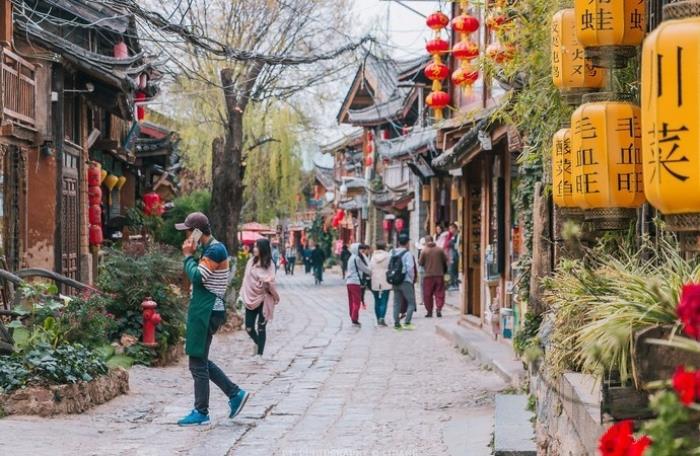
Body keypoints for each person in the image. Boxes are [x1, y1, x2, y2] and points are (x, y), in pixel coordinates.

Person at [175, 212, 248, 426]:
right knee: (200, 359)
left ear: (197, 232)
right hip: (203, 309)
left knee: (197, 361)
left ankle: (202, 411)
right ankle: (234, 394)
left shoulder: (215, 250)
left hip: (206, 310)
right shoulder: (209, 249)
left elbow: (198, 277)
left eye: (189, 231)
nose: (186, 236)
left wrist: (187, 256)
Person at [241, 239, 280, 361]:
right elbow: (246, 280)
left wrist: (266, 281)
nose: (254, 249)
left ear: (262, 248)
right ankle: (258, 343)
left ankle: (260, 354)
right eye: (254, 247)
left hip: (264, 298)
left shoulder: (270, 264)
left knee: (261, 327)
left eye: (256, 247)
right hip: (250, 298)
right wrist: (242, 294)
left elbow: (271, 279)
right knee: (249, 327)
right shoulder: (250, 262)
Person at [390, 233, 418, 330]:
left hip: (395, 281)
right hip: (405, 280)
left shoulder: (392, 252)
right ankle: (407, 322)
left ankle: (396, 323)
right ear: (407, 243)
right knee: (411, 302)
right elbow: (410, 268)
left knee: (396, 302)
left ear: (398, 242)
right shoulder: (407, 254)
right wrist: (411, 279)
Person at [419, 235, 448, 318]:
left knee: (427, 294)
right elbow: (445, 260)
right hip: (439, 274)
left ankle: (429, 311)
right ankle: (439, 308)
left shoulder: (424, 251)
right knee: (440, 292)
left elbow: (420, 263)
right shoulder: (440, 250)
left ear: (426, 241)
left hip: (428, 275)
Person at [345, 242, 370, 326]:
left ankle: (352, 316)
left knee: (351, 301)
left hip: (349, 282)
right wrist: (371, 272)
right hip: (355, 282)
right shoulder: (357, 258)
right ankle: (354, 318)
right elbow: (364, 269)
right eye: (359, 248)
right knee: (357, 301)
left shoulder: (351, 258)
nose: (361, 250)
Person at [369, 241, 391, 326]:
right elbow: (390, 266)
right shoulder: (388, 256)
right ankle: (382, 318)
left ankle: (378, 318)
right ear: (385, 247)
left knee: (377, 300)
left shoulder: (373, 257)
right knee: (384, 300)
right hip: (385, 280)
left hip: (375, 280)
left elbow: (370, 268)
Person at [448, 222, 460, 290]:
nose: (450, 230)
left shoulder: (458, 235)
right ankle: (453, 283)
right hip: (451, 254)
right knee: (451, 269)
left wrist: (451, 243)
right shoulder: (451, 236)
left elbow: (456, 246)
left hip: (455, 254)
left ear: (454, 228)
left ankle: (455, 284)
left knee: (454, 269)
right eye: (449, 229)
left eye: (451, 228)